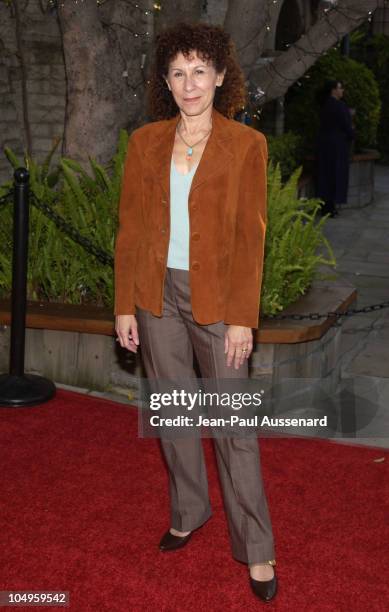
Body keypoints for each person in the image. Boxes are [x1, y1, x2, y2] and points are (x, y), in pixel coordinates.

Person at [114, 22, 277, 603]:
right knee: (175, 415)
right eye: (179, 72)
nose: (190, 84)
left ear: (221, 76)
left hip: (218, 300)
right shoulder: (145, 143)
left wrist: (242, 317)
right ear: (165, 79)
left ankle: (257, 548)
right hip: (155, 298)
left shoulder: (245, 145)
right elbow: (131, 230)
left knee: (234, 428)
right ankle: (189, 509)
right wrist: (124, 307)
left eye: (200, 71)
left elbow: (251, 238)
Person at [315, 79, 355, 217]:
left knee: (326, 174)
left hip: (324, 144)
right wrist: (352, 133)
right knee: (335, 174)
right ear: (333, 90)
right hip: (337, 145)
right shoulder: (339, 106)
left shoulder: (325, 104)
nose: (342, 90)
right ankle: (330, 207)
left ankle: (326, 206)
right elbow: (347, 126)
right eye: (340, 88)